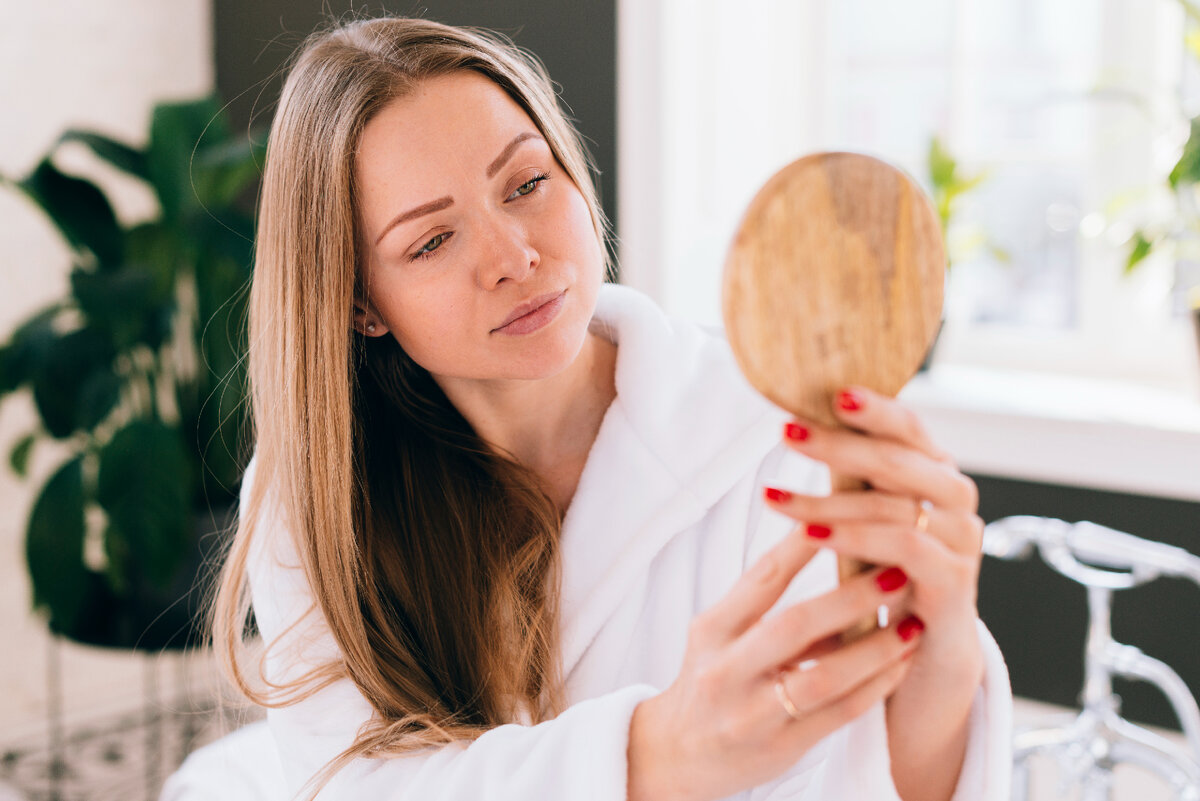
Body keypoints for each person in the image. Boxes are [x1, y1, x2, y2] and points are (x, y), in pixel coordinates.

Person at [209, 15, 1012, 801]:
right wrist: (655, 756)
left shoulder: (771, 439)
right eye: (431, 242)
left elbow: (863, 775)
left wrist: (938, 680)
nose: (514, 256)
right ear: (359, 303)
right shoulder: (311, 499)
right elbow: (352, 784)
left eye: (526, 183)